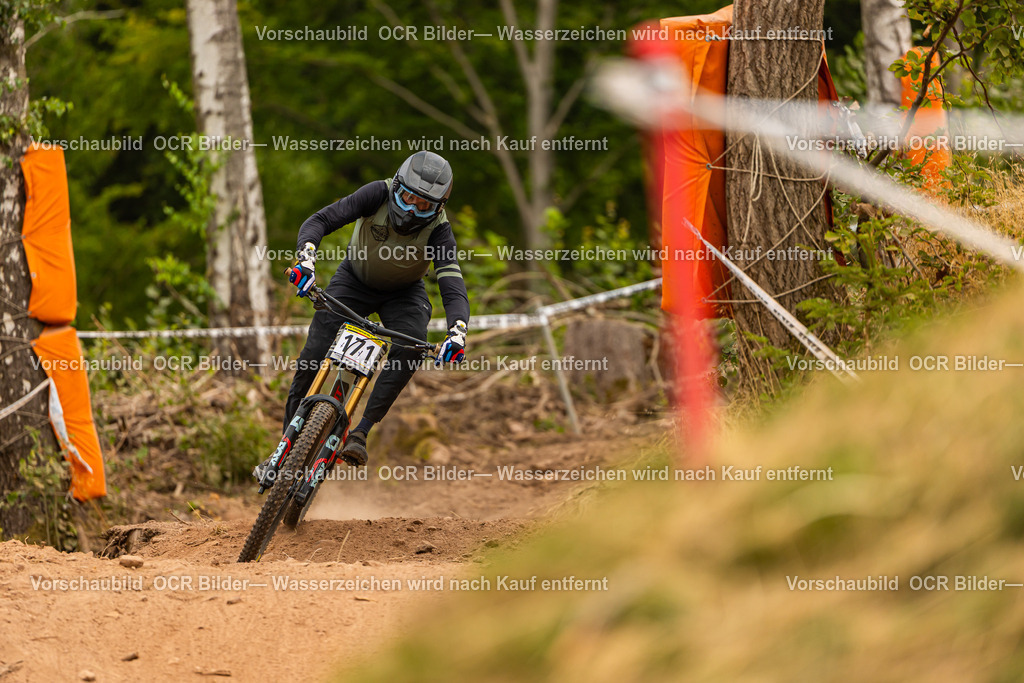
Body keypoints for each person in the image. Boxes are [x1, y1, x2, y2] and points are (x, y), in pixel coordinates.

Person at [263, 151, 469, 475]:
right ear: (397, 186)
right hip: (354, 280)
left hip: (404, 294)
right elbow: (320, 221)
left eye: (424, 205)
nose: (412, 210)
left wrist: (457, 332)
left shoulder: (440, 231)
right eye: (408, 198)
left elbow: (452, 284)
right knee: (312, 357)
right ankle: (286, 445)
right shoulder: (376, 193)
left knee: (413, 345)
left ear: (439, 208)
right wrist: (306, 260)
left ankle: (361, 431)